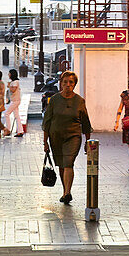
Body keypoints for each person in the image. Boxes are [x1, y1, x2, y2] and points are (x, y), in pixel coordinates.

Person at [41, 71, 92, 205]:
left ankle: (68, 192)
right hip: (55, 137)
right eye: (65, 82)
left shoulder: (80, 101)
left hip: (73, 136)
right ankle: (65, 192)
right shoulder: (54, 100)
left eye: (71, 82)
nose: (68, 85)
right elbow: (47, 121)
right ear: (61, 83)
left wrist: (88, 141)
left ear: (75, 84)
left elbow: (85, 122)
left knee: (68, 162)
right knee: (62, 166)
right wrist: (45, 141)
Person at [3, 68, 23, 137]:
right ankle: (20, 131)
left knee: (7, 114)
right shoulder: (14, 82)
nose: (8, 75)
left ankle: (8, 130)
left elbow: (13, 90)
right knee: (17, 116)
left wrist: (9, 86)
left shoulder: (15, 82)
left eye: (9, 74)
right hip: (15, 100)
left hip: (15, 101)